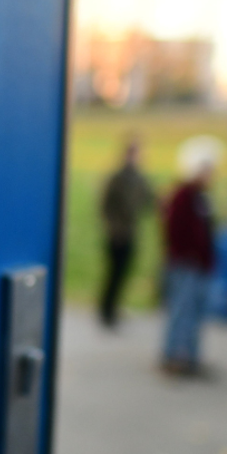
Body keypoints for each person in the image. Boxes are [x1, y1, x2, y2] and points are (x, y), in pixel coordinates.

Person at [161, 135, 223, 377]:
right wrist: (188, 255)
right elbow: (174, 231)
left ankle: (192, 357)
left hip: (201, 266)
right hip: (185, 265)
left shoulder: (202, 196)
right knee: (181, 311)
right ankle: (174, 356)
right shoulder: (182, 195)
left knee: (197, 313)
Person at [98, 136, 155, 328]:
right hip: (117, 235)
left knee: (124, 274)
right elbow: (105, 206)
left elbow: (148, 201)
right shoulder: (117, 178)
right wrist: (114, 229)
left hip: (131, 232)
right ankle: (106, 311)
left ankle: (114, 308)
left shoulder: (140, 178)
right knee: (113, 274)